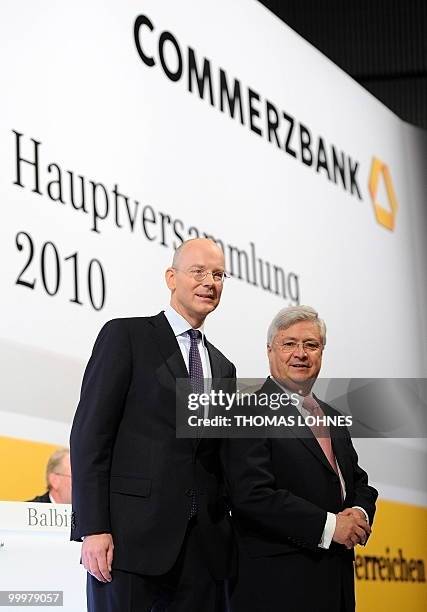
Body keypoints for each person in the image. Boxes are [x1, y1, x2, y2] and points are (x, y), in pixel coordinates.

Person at [70, 238, 236, 612]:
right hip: (129, 545)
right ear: (171, 277)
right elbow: (90, 436)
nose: (209, 281)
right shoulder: (126, 336)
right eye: (198, 271)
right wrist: (94, 528)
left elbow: (213, 459)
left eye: (218, 274)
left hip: (202, 554)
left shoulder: (224, 368)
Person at [223, 305, 378, 612]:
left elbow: (357, 481)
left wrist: (360, 511)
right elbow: (251, 495)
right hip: (277, 586)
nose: (301, 353)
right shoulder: (246, 411)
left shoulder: (333, 417)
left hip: (337, 582)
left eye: (311, 345)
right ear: (270, 351)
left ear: (321, 352)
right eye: (289, 344)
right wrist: (331, 526)